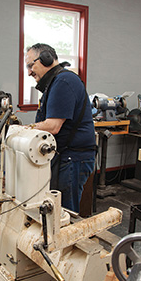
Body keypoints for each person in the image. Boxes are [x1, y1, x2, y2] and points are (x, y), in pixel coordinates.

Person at [25, 43, 96, 213]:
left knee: (64, 211)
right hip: (65, 155)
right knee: (56, 208)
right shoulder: (55, 82)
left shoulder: (63, 81)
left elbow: (53, 126)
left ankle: (66, 239)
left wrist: (23, 129)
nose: (28, 72)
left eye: (30, 65)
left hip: (73, 157)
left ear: (45, 59)